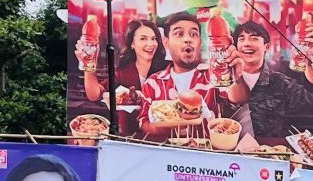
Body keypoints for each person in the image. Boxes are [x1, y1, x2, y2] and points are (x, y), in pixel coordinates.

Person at [138, 12, 246, 141]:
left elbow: (237, 98)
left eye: (193, 34)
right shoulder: (152, 83)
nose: (187, 39)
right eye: (179, 34)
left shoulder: (215, 74)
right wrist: (165, 123)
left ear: (200, 42)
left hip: (206, 154)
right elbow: (143, 123)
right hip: (166, 155)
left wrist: (238, 77)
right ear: (166, 42)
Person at [78, 18, 168, 104]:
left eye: (153, 39)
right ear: (132, 43)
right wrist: (88, 66)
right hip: (130, 119)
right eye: (143, 38)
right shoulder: (123, 72)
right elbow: (95, 95)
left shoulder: (168, 68)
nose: (150, 44)